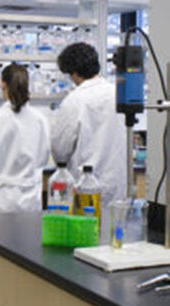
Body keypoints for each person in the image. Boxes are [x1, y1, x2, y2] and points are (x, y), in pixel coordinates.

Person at [0, 63, 51, 213]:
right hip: (30, 196)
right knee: (28, 236)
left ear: (3, 84)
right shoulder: (40, 119)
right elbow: (43, 157)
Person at [51, 42, 126, 205]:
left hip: (84, 186)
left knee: (85, 229)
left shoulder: (74, 100)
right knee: (113, 227)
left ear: (75, 72)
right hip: (117, 185)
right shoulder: (118, 93)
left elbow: (60, 150)